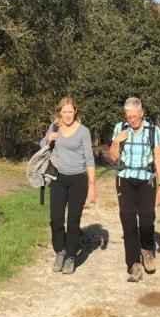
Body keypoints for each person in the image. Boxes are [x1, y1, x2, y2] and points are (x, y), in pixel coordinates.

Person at [108, 97, 160, 282]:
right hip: (125, 180)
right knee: (128, 219)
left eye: (135, 116)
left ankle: (147, 250)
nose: (132, 120)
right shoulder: (120, 128)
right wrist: (116, 141)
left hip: (146, 180)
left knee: (147, 218)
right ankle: (133, 263)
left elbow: (158, 159)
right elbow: (113, 158)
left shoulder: (153, 131)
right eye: (128, 116)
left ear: (142, 113)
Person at [40, 97, 96, 275]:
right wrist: (49, 140)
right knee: (56, 218)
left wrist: (92, 185)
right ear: (60, 113)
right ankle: (60, 251)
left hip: (78, 180)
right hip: (57, 178)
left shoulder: (83, 131)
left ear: (75, 112)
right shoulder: (54, 127)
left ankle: (71, 256)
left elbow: (89, 158)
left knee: (73, 220)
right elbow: (42, 146)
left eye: (70, 111)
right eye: (64, 111)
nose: (67, 115)